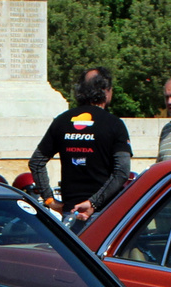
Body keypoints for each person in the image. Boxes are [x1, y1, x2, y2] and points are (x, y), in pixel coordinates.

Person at [28, 68, 133, 221]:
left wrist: (50, 200)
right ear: (106, 91)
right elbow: (122, 172)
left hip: (71, 212)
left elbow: (36, 163)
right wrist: (93, 203)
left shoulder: (62, 121)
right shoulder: (114, 124)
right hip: (105, 213)